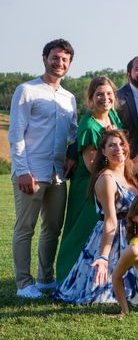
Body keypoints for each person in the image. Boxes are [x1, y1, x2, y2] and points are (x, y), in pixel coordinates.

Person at [53, 99, 138, 304]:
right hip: (115, 238)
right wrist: (104, 256)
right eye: (112, 146)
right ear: (104, 152)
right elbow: (109, 220)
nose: (119, 149)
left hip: (134, 235)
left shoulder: (129, 171)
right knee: (105, 297)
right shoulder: (106, 179)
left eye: (122, 145)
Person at [9, 38, 77, 298]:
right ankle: (24, 284)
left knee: (52, 228)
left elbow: (73, 133)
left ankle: (45, 279)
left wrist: (72, 155)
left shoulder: (68, 98)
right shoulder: (26, 90)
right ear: (45, 58)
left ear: (69, 64)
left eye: (64, 59)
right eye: (55, 57)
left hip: (57, 174)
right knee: (25, 228)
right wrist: (23, 170)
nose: (59, 63)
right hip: (31, 171)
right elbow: (16, 133)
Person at [56, 76, 124, 282]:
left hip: (109, 180)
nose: (105, 98)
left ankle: (99, 276)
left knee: (101, 232)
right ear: (91, 98)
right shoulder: (88, 126)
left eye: (109, 94)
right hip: (90, 185)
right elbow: (92, 166)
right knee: (81, 231)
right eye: (100, 94)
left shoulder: (112, 115)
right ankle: (68, 276)